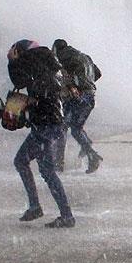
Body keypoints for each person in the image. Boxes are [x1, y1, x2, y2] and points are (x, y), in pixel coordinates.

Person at [8, 39, 75, 228]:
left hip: (46, 125)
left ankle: (61, 214)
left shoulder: (35, 63)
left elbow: (22, 82)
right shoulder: (46, 62)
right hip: (48, 123)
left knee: (39, 168)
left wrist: (12, 62)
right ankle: (42, 208)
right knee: (38, 167)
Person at [52, 39, 102, 174]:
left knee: (62, 126)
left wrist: (74, 86)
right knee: (76, 128)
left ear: (56, 49)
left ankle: (58, 163)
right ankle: (89, 151)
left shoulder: (63, 57)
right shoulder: (84, 57)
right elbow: (98, 73)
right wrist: (87, 83)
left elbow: (64, 75)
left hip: (78, 96)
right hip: (90, 96)